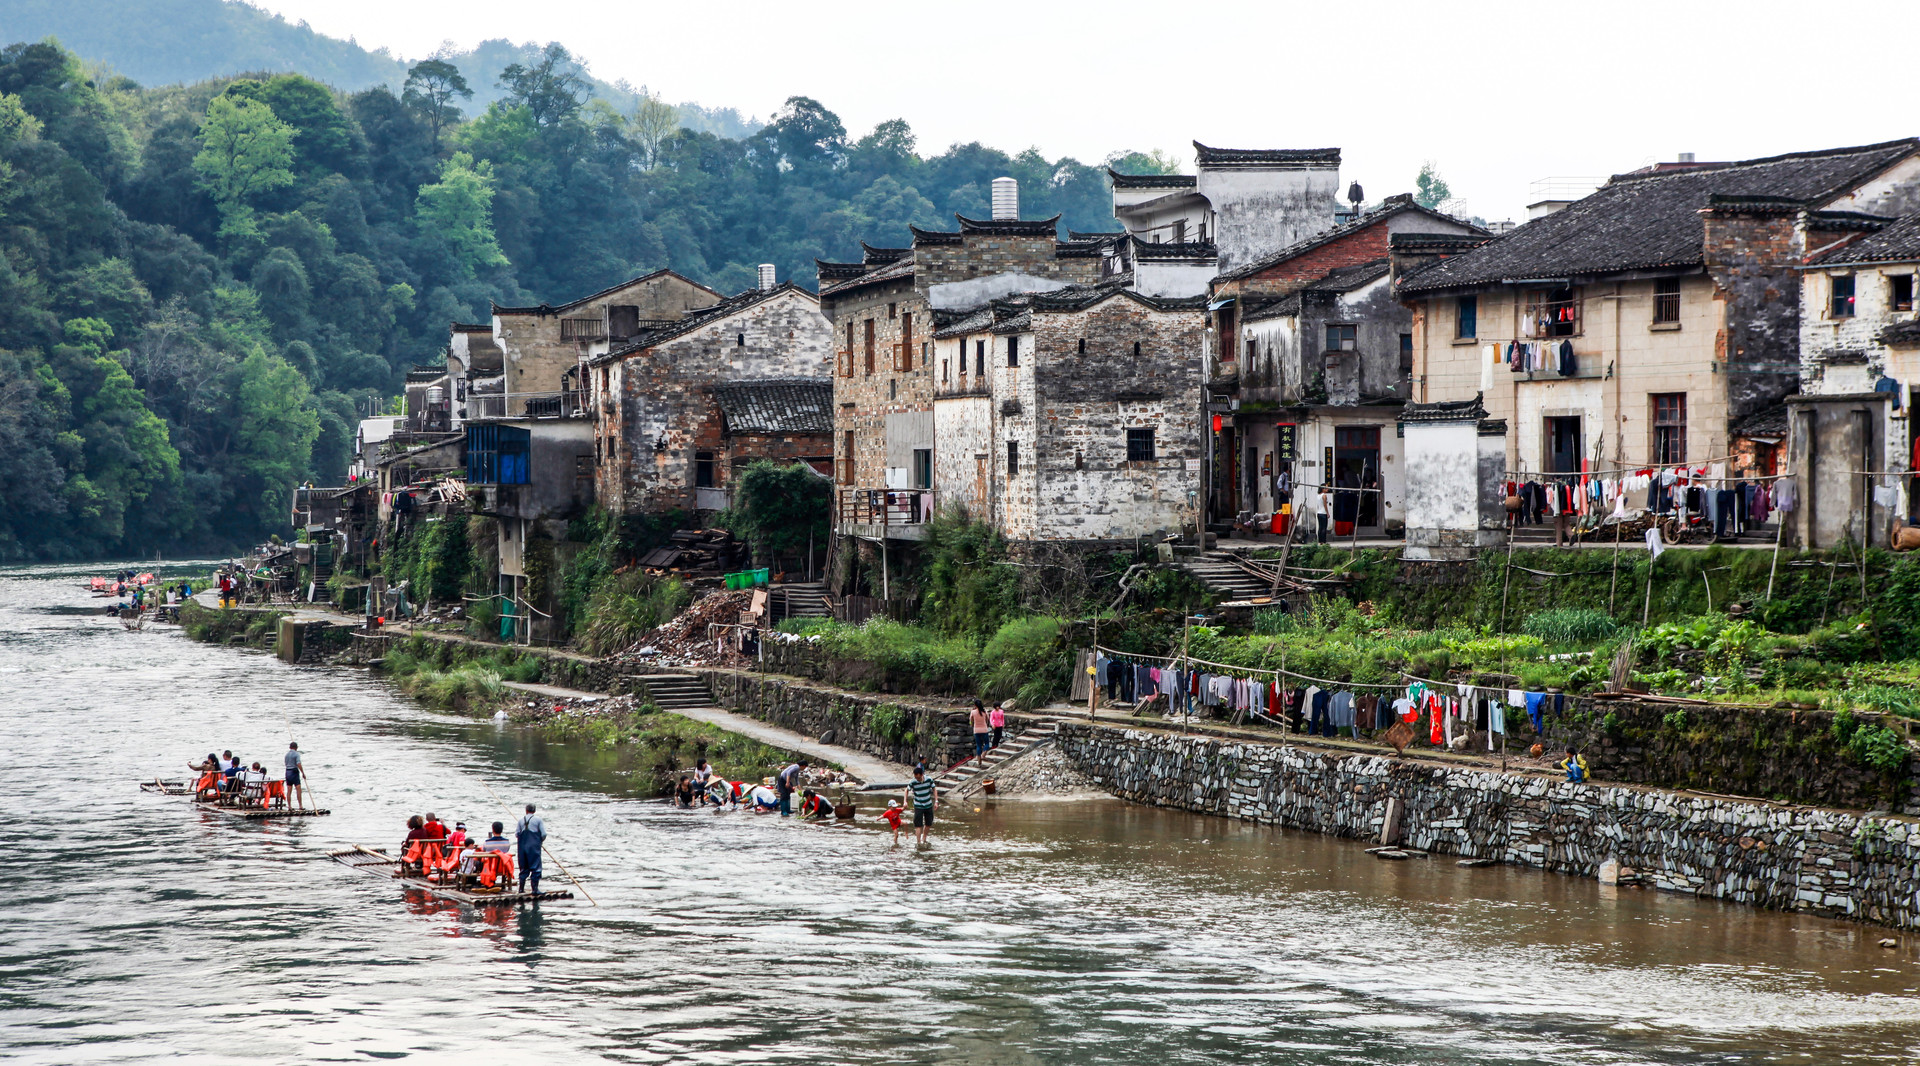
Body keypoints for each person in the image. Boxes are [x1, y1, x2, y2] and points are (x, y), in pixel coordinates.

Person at [515, 804, 546, 894]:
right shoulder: (538, 820)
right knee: (536, 867)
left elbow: (517, 834)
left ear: (526, 810)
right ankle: (535, 889)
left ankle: (521, 889)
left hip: (522, 847)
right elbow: (543, 834)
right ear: (534, 811)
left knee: (524, 867)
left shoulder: (520, 820)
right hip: (534, 847)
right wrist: (539, 841)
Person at [904, 766, 937, 845]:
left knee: (929, 823)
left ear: (922, 774)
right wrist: (905, 801)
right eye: (916, 777)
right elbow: (906, 790)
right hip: (918, 805)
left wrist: (936, 801)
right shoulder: (913, 782)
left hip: (928, 804)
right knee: (918, 824)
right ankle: (918, 842)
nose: (917, 779)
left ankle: (924, 837)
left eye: (918, 777)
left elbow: (934, 789)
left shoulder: (929, 779)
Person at [284, 742, 307, 810]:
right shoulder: (296, 754)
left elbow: (286, 763)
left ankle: (289, 806)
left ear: (290, 747)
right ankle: (300, 806)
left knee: (289, 790)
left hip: (287, 772)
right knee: (298, 789)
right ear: (296, 748)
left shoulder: (286, 755)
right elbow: (298, 763)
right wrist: (303, 773)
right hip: (294, 772)